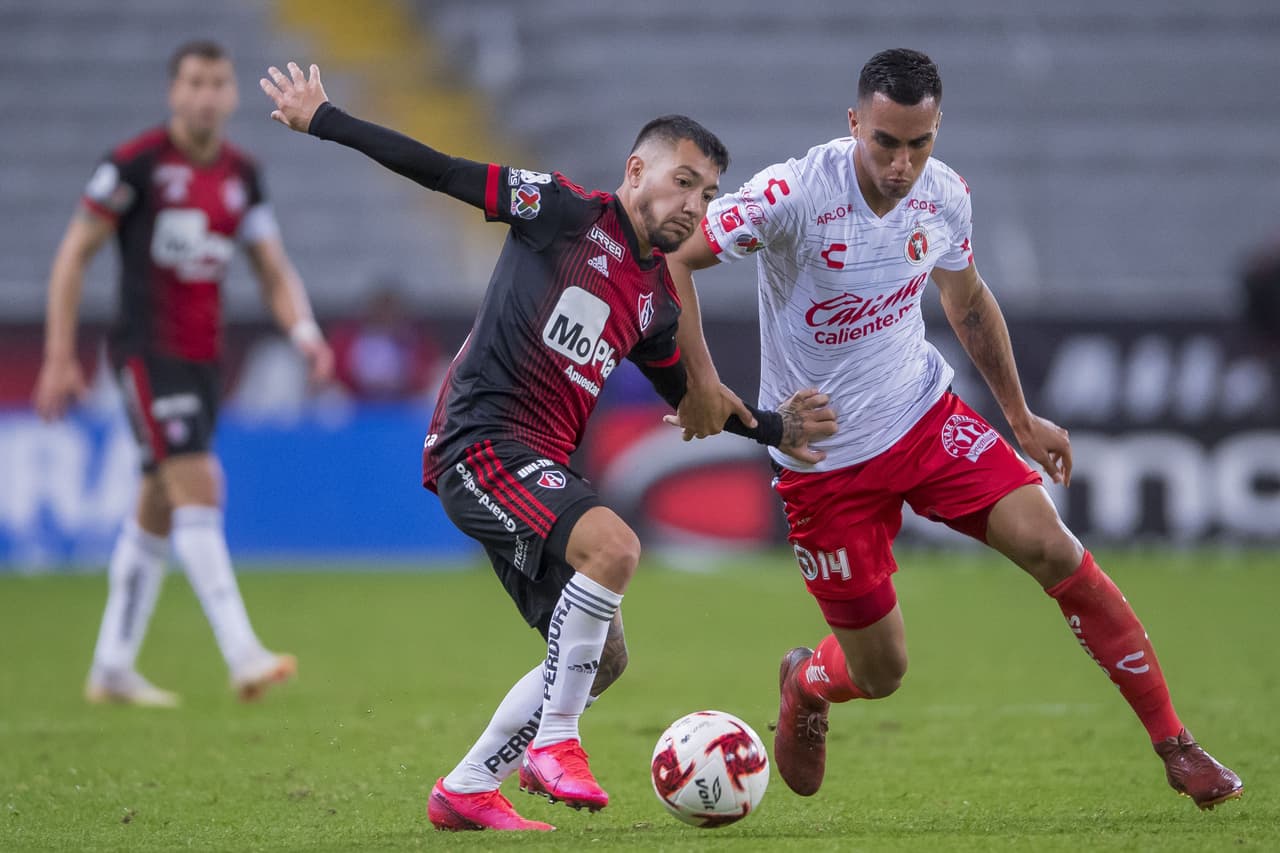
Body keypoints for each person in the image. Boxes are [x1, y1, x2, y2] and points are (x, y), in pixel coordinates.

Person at [259, 62, 836, 832]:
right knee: (616, 547)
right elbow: (444, 170)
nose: (694, 206)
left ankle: (465, 788)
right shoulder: (563, 211)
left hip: (536, 464)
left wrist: (771, 428)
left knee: (603, 659)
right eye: (684, 182)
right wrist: (325, 117)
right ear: (638, 170)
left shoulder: (656, 300)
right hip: (478, 440)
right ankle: (556, 741)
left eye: (707, 194)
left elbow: (692, 405)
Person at [664, 48, 1242, 810]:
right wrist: (701, 382)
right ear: (854, 124)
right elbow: (673, 253)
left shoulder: (943, 196)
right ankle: (807, 682)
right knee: (882, 672)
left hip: (924, 417)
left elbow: (967, 300)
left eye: (920, 143)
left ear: (937, 131)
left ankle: (1177, 745)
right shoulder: (792, 192)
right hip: (822, 459)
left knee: (1052, 544)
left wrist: (1020, 416)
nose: (903, 165)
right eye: (885, 142)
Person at [33, 40, 334, 707]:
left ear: (231, 95)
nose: (205, 95)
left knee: (158, 504)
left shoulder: (243, 176)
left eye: (217, 83)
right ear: (175, 92)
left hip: (204, 359)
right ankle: (242, 651)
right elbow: (71, 256)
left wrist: (305, 332)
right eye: (194, 82)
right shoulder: (134, 166)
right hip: (147, 352)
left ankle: (112, 664)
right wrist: (58, 355)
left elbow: (272, 266)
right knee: (199, 481)